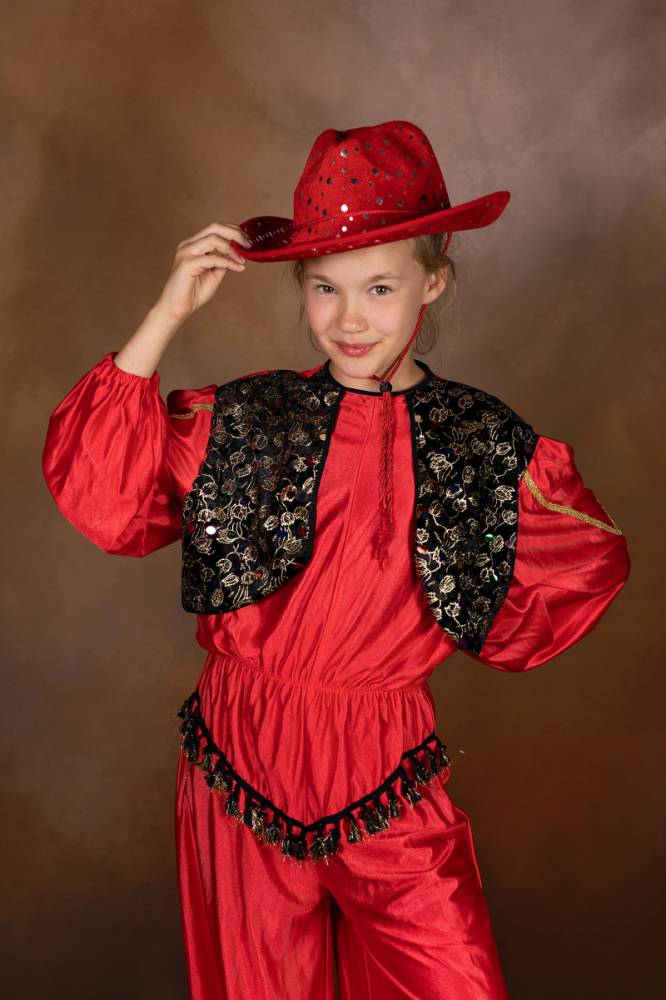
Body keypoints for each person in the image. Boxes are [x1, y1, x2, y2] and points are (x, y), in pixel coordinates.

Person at [41, 120, 631, 1000]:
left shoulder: (483, 444)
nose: (350, 319)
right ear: (302, 287)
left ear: (434, 280)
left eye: (380, 287)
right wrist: (166, 315)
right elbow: (106, 496)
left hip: (385, 769)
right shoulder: (243, 423)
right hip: (240, 760)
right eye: (325, 288)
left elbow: (574, 574)